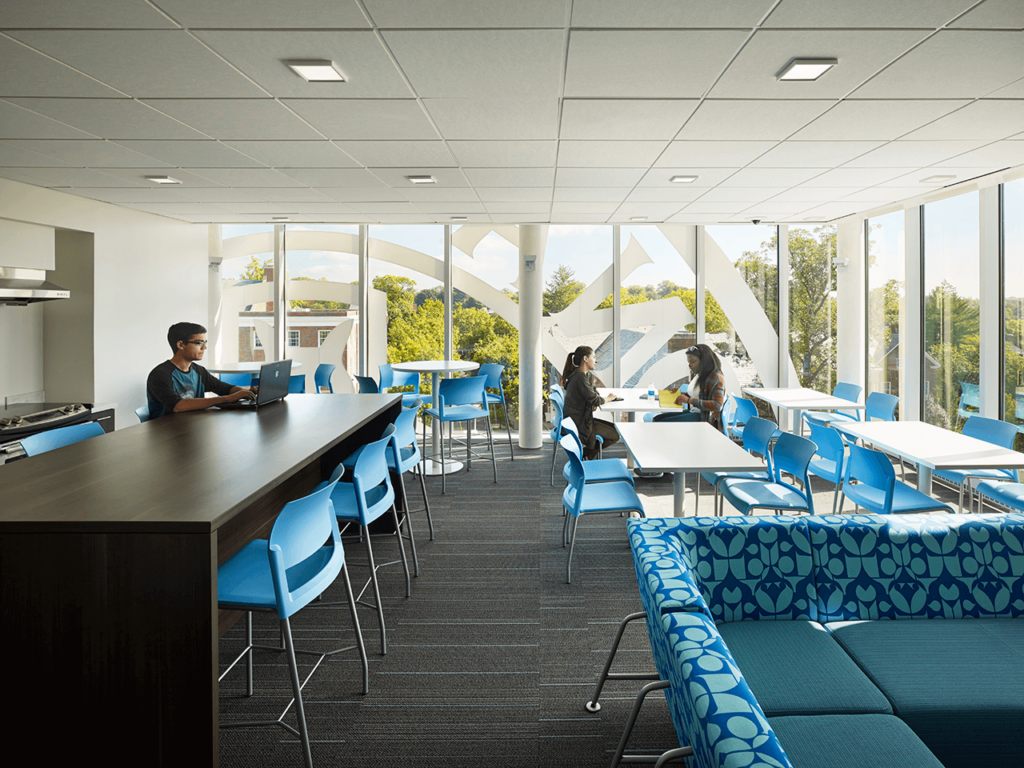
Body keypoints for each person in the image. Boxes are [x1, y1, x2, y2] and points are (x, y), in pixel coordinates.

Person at [146, 322, 256, 419]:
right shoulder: (159, 375)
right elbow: (178, 406)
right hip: (166, 433)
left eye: (205, 343)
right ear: (180, 345)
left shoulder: (198, 371)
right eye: (199, 343)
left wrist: (248, 392)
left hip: (192, 426)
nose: (204, 348)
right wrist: (229, 398)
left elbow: (224, 388)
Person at [560, 345, 619, 460]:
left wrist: (593, 401)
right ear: (585, 359)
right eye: (594, 357)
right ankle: (587, 454)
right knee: (615, 435)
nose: (596, 361)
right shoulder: (580, 377)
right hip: (579, 422)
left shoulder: (582, 374)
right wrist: (609, 398)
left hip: (579, 418)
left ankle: (587, 454)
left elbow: (592, 393)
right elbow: (595, 399)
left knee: (615, 429)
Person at [667, 343, 727, 431]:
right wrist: (680, 395)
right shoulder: (700, 375)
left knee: (661, 423)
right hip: (695, 413)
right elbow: (697, 395)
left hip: (704, 419)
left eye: (692, 362)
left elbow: (717, 405)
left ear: (704, 361)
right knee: (657, 419)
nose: (689, 365)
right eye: (689, 362)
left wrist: (688, 400)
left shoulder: (716, 377)